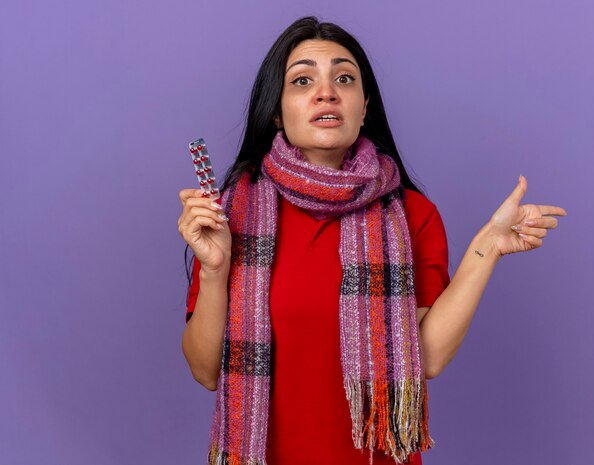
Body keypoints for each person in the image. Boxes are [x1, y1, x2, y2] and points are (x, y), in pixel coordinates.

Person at [177, 16, 567, 465]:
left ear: (363, 108)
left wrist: (489, 247)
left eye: (344, 78)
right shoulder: (230, 215)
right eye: (303, 80)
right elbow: (206, 371)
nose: (327, 92)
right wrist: (215, 268)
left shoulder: (412, 216)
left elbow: (428, 359)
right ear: (276, 111)